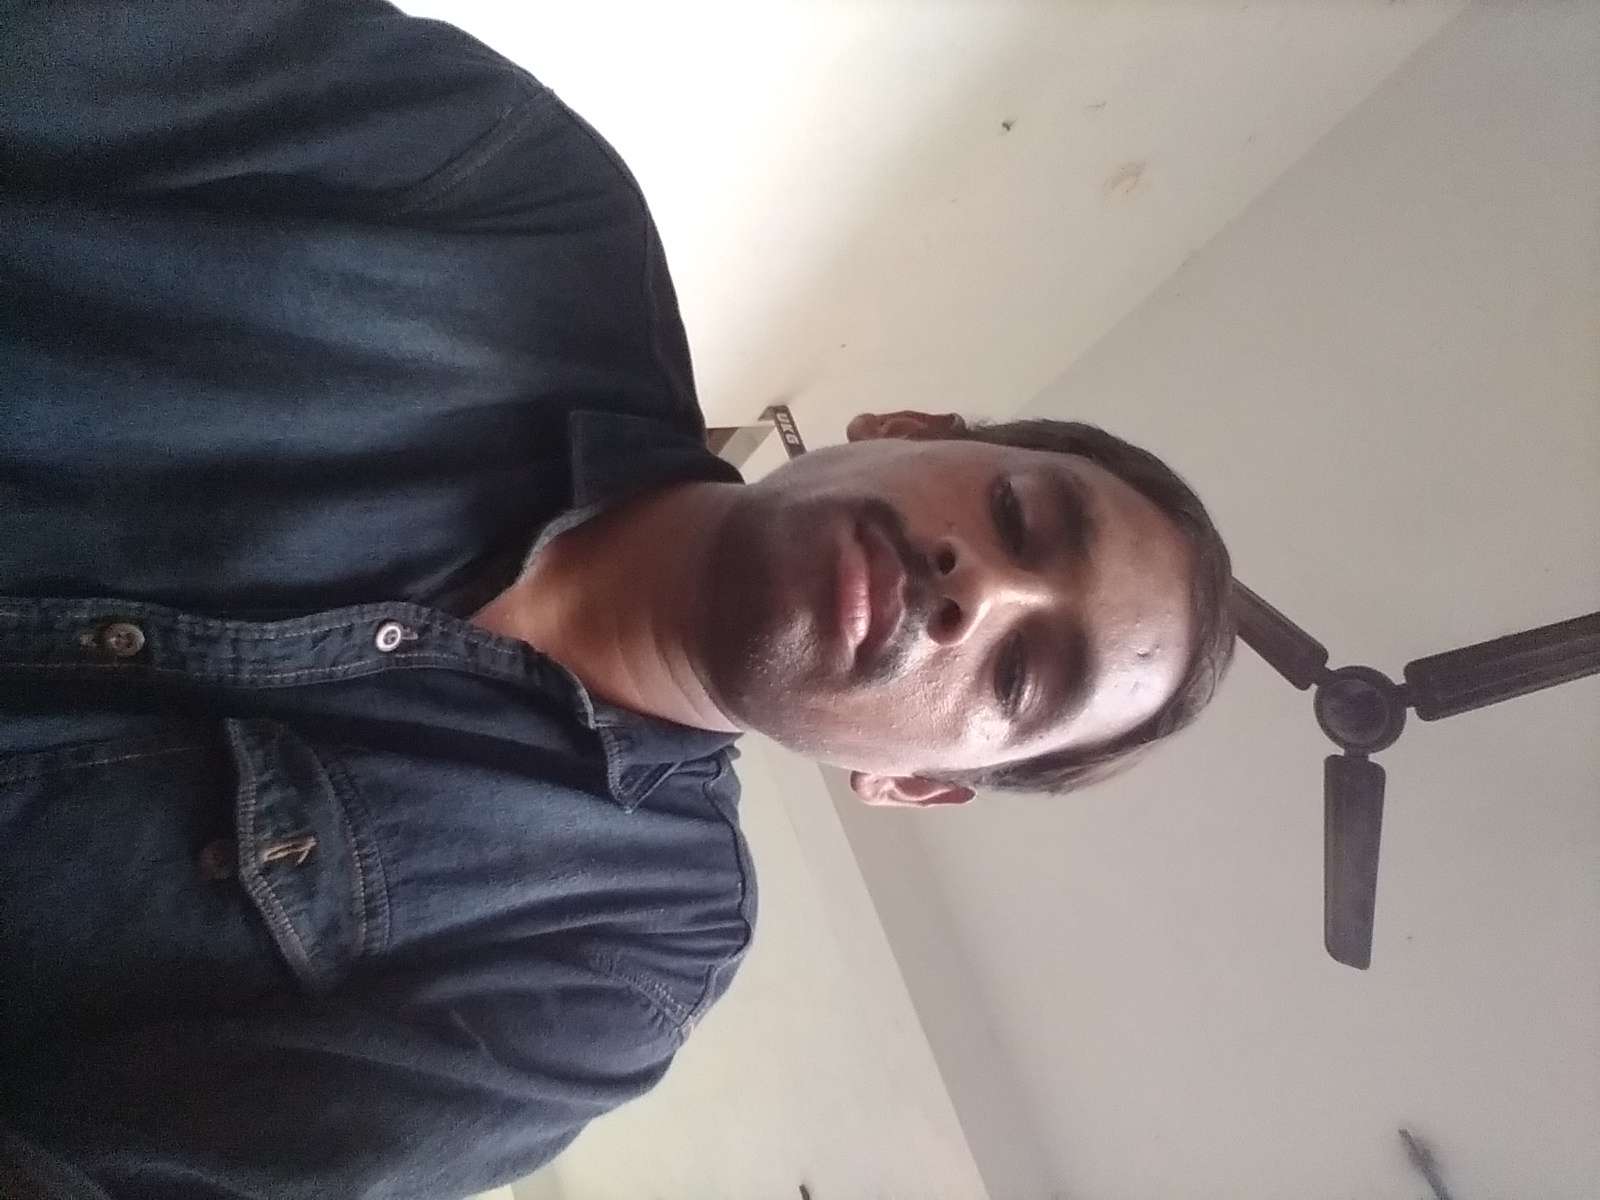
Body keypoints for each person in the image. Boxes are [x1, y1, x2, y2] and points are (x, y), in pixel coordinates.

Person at [0, 2, 1234, 1196]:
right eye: (1018, 517)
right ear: (908, 426)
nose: (982, 593)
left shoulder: (620, 960)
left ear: (910, 784)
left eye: (1022, 675)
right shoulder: (519, 210)